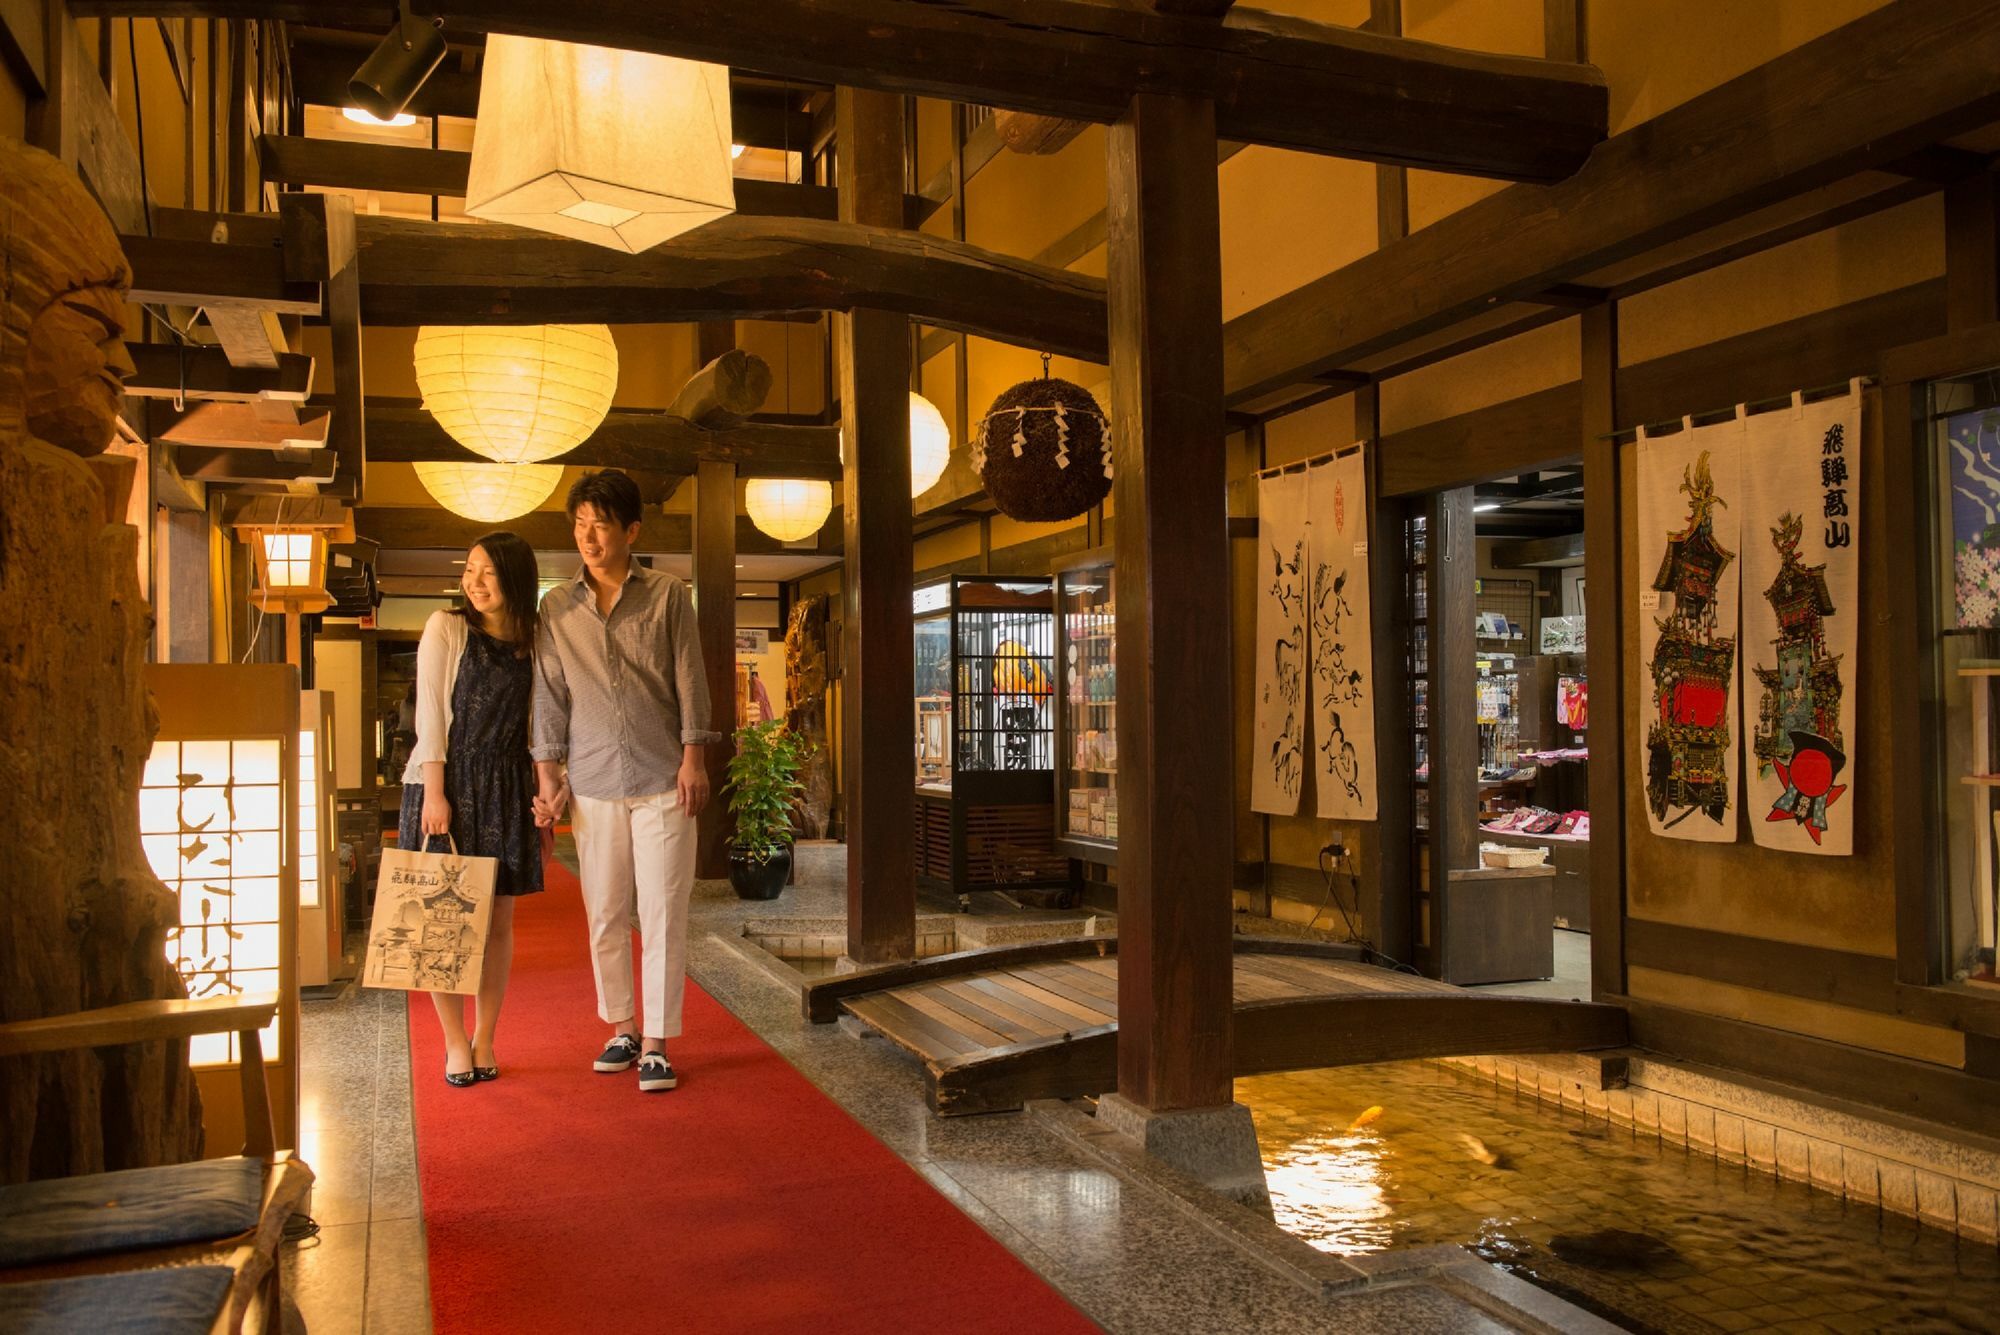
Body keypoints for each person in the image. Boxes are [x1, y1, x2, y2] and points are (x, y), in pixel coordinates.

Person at [531, 470, 717, 1094]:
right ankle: (621, 1027)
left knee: (663, 911)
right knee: (604, 911)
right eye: (580, 524)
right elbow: (550, 696)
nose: (588, 536)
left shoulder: (667, 595)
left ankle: (658, 1042)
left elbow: (690, 679)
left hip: (664, 775)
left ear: (631, 530)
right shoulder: (556, 607)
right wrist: (549, 774)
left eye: (601, 524)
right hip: (592, 780)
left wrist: (694, 759)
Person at [400, 532, 544, 1087]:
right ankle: (454, 1042)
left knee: (498, 922)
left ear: (516, 578)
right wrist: (435, 793)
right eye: (470, 570)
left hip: (507, 783)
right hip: (449, 782)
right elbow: (430, 715)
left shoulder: (533, 642)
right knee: (443, 921)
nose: (475, 583)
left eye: (488, 572)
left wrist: (543, 795)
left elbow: (540, 723)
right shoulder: (448, 627)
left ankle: (486, 1037)